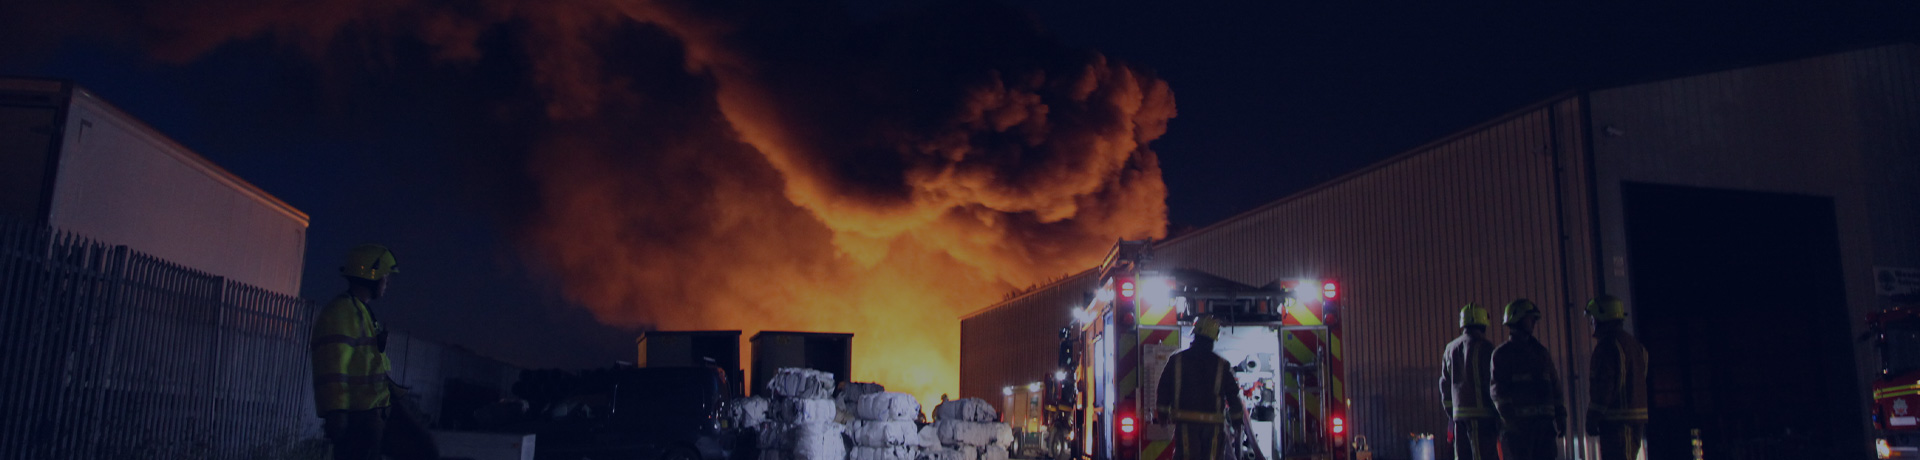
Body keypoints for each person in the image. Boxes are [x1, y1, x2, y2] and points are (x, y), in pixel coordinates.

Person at [311, 244, 439, 460]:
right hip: (359, 414)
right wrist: (337, 412)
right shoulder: (342, 312)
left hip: (376, 408)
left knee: (424, 450)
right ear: (371, 274)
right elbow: (332, 367)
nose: (386, 283)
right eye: (385, 277)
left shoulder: (359, 310)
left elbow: (363, 361)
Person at [1154, 316, 1248, 460]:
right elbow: (1232, 394)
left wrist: (1163, 414)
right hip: (1213, 427)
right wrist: (1237, 421)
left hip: (1185, 424)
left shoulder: (1177, 360)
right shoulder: (1221, 364)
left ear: (1195, 335)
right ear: (1212, 340)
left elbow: (1164, 388)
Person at [1491, 299, 1567, 460]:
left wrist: (1561, 415)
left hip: (1544, 430)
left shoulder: (1541, 353)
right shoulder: (1503, 355)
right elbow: (1499, 394)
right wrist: (1511, 424)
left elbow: (1554, 386)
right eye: (1530, 318)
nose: (1533, 322)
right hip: (1519, 433)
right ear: (1517, 318)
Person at [1585, 295, 1647, 460]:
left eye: (1593, 318)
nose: (1592, 322)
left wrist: (1593, 417)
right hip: (1634, 418)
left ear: (1602, 317)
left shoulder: (1607, 347)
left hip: (1617, 422)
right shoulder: (1635, 345)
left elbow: (1604, 387)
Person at [1439, 303, 1499, 460]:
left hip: (1459, 417)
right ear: (1482, 322)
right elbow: (1493, 384)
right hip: (1483, 418)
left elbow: (1444, 386)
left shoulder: (1450, 349)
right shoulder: (1486, 348)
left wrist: (1452, 412)